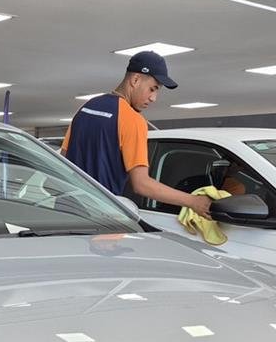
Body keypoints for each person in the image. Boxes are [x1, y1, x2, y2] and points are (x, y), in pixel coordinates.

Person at [62, 51, 213, 219]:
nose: (154, 98)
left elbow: (62, 160)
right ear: (135, 80)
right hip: (99, 218)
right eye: (152, 89)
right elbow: (141, 184)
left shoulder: (86, 108)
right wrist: (194, 201)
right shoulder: (132, 119)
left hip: (66, 212)